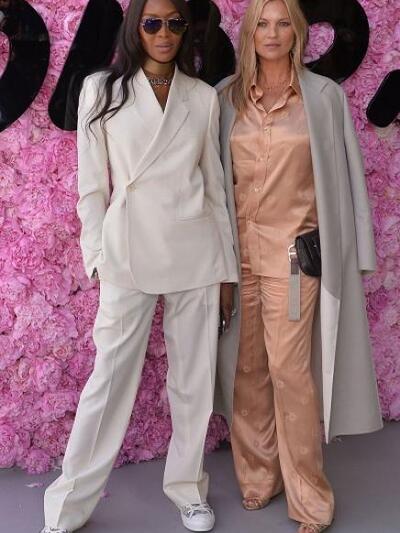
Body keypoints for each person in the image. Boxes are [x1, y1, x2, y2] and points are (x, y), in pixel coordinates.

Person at [40, 0, 238, 531]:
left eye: (175, 23)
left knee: (193, 381)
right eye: (152, 23)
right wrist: (96, 256)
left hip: (196, 250)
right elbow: (91, 184)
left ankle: (189, 489)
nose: (164, 33)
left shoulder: (201, 97)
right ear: (135, 28)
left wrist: (226, 270)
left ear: (187, 30)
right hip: (127, 249)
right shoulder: (101, 89)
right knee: (108, 380)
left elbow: (214, 188)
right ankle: (67, 504)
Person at [214, 0, 383, 532]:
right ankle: (258, 476)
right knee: (245, 370)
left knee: (290, 372)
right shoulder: (225, 98)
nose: (272, 33)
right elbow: (211, 180)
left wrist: (360, 251)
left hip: (293, 259)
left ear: (298, 32)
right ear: (248, 32)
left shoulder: (323, 97)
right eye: (262, 23)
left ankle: (310, 496)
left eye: (283, 22)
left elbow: (348, 173)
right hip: (237, 257)